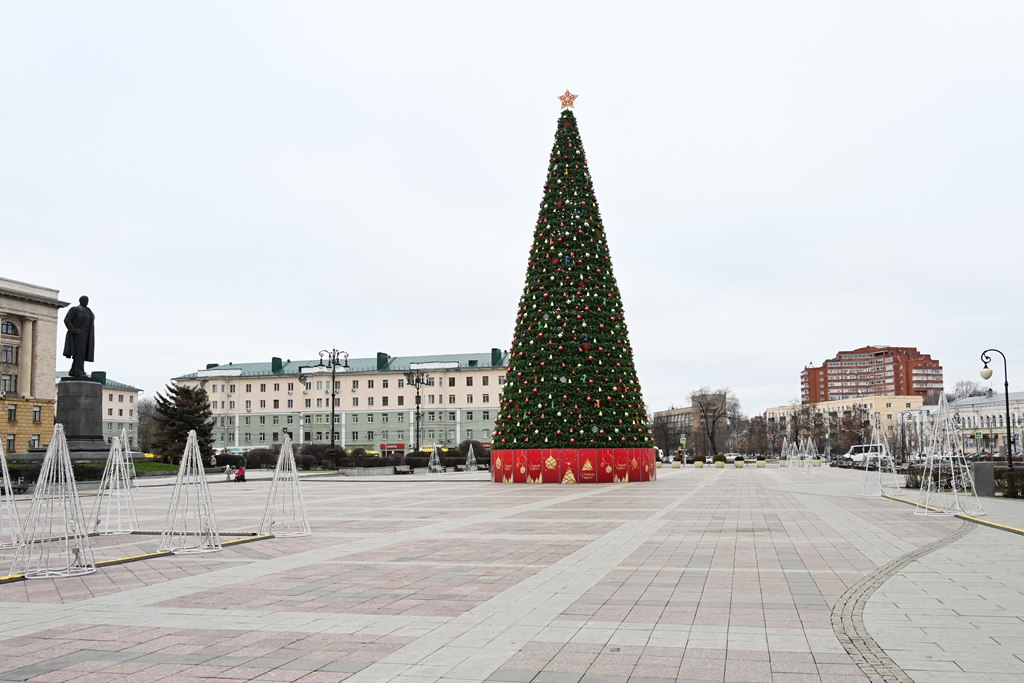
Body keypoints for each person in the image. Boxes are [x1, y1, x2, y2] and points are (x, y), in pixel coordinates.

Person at [63, 295, 96, 378]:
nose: (86, 301)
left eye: (87, 300)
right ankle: (78, 371)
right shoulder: (75, 309)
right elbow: (67, 320)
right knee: (79, 353)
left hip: (88, 335)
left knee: (83, 354)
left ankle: (74, 370)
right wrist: (74, 330)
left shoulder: (89, 311)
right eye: (84, 300)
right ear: (80, 301)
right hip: (78, 334)